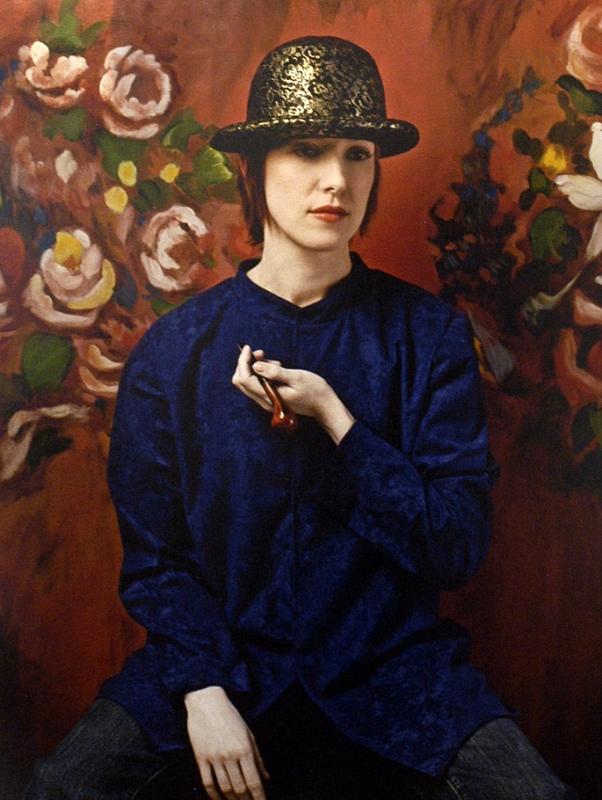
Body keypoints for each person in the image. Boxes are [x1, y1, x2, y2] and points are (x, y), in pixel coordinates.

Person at [25, 36, 577, 800]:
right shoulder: (176, 351)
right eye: (308, 150)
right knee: (58, 789)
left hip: (396, 670)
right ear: (255, 168)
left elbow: (454, 546)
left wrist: (341, 427)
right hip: (216, 659)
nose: (336, 180)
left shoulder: (428, 337)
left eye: (357, 155)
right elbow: (157, 560)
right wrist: (202, 689)